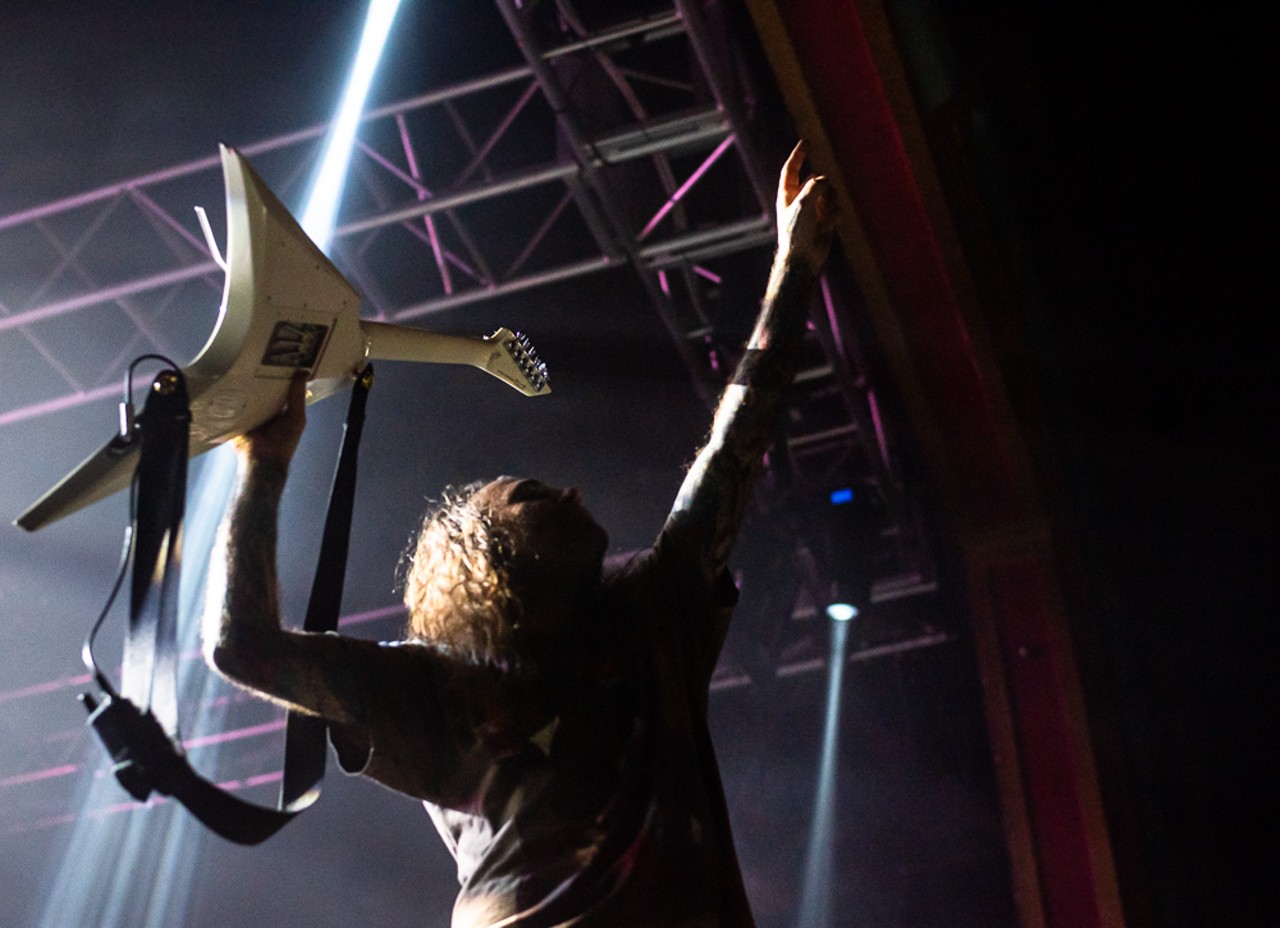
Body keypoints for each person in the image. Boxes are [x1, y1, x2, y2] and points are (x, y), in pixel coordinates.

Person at [205, 141, 838, 927]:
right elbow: (242, 647)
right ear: (487, 558)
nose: (572, 490)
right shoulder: (435, 688)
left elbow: (736, 446)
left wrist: (794, 264)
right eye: (536, 495)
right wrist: (263, 465)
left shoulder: (648, 613)